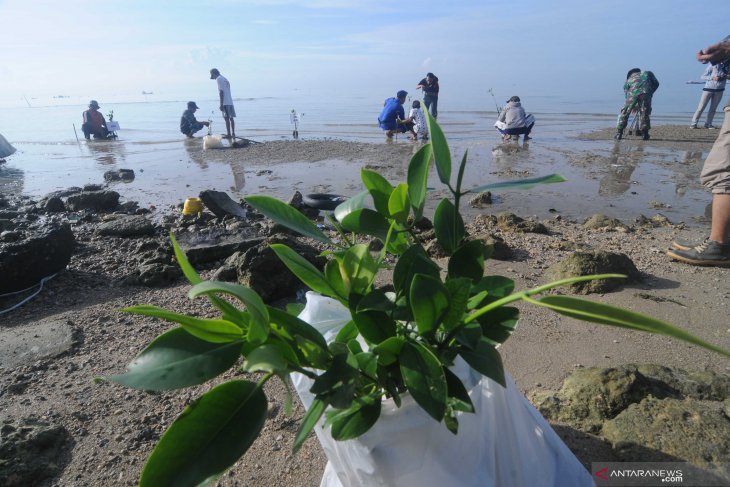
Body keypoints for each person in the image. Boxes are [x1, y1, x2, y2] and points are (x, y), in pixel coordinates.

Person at [667, 36, 730, 266]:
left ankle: (719, 245)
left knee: (722, 170)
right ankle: (722, 241)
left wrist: (725, 48)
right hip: (711, 86)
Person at [615, 68, 659, 140]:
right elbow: (656, 84)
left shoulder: (629, 78)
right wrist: (650, 93)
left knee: (625, 112)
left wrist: (632, 106)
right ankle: (645, 134)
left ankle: (619, 133)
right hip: (646, 93)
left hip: (633, 93)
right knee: (645, 113)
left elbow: (626, 92)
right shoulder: (648, 73)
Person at [690, 61, 728, 129]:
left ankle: (708, 123)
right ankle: (694, 123)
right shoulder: (713, 64)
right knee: (701, 107)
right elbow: (703, 76)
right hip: (708, 89)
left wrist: (726, 77)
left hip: (720, 90)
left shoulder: (728, 66)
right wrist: (712, 78)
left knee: (713, 108)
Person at [209, 68, 236, 139]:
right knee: (231, 118)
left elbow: (221, 92)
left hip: (225, 102)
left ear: (213, 73)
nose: (213, 78)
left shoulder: (218, 79)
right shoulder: (225, 79)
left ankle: (229, 134)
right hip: (230, 101)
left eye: (212, 75)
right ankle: (233, 133)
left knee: (226, 119)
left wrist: (221, 104)